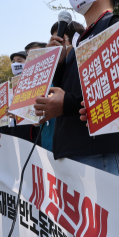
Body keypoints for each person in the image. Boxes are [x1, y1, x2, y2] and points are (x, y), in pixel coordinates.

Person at [35, 0, 119, 179]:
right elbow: (68, 90)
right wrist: (59, 65)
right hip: (72, 149)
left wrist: (67, 104)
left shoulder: (117, 26)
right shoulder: (79, 43)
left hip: (103, 151)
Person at [40, 21, 86, 153]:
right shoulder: (55, 72)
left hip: (87, 148)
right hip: (59, 147)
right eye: (52, 41)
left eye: (59, 40)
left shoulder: (85, 61)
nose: (55, 45)